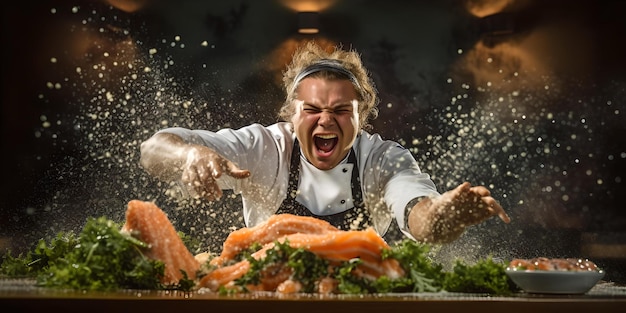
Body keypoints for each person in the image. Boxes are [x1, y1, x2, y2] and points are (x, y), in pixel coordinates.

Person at [139, 41, 510, 244]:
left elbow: (420, 215)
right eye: (313, 109)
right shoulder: (264, 146)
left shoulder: (384, 160)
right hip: (265, 299)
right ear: (291, 113)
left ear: (361, 116)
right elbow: (153, 150)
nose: (326, 120)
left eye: (341, 110)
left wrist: (445, 215)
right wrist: (190, 154)